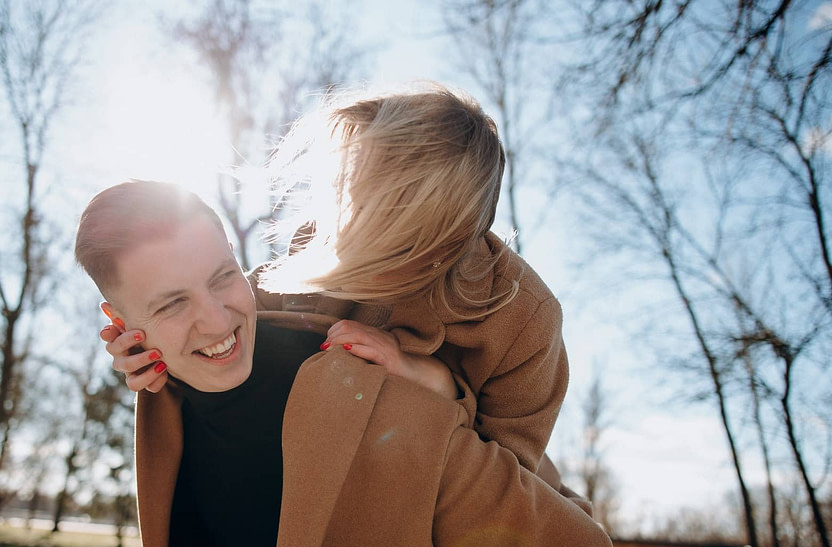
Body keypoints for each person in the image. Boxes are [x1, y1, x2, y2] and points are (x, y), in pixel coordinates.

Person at [76, 179, 613, 547]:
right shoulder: (162, 397)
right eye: (172, 303)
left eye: (223, 277)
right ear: (120, 321)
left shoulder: (360, 396)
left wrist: (440, 385)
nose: (217, 321)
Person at [111, 83, 589, 513]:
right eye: (347, 197)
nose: (344, 231)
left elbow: (507, 493)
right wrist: (150, 340)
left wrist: (430, 382)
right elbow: (232, 314)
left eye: (380, 224)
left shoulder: (525, 317)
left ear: (443, 238)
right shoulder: (321, 237)